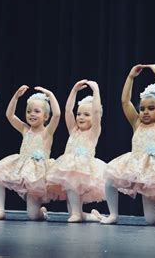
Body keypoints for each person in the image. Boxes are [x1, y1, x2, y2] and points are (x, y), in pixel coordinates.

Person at [101, 64, 155, 225]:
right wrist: (130, 77)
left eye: (151, 108)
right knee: (110, 181)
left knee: (152, 220)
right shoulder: (137, 123)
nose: (145, 112)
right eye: (142, 109)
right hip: (133, 166)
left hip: (153, 173)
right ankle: (113, 214)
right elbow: (124, 101)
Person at [0, 85, 60, 220]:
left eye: (36, 111)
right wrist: (16, 97)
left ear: (46, 116)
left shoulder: (47, 132)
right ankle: (0, 210)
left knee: (33, 216)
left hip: (37, 174)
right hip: (20, 167)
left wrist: (50, 94)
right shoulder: (25, 129)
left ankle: (42, 213)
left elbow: (57, 114)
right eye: (29, 111)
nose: (31, 114)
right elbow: (9, 115)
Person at [47, 80, 106, 222]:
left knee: (75, 211)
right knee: (75, 212)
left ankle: (78, 215)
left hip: (84, 170)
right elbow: (68, 111)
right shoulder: (73, 130)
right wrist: (74, 91)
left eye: (86, 114)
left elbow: (97, 111)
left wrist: (96, 90)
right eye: (79, 114)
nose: (81, 117)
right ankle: (94, 217)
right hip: (70, 167)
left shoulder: (94, 132)